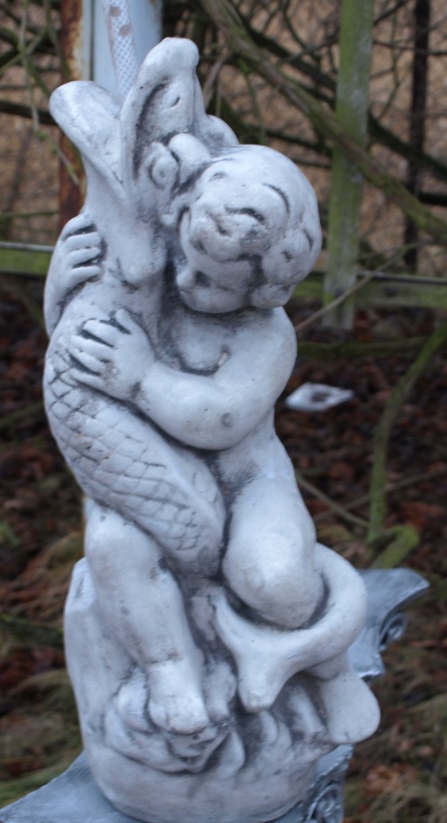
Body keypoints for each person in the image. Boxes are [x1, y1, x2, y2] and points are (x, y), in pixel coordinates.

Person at [57, 145, 379, 744]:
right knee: (113, 545)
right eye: (185, 256)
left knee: (274, 577)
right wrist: (65, 285)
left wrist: (141, 378)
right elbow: (77, 351)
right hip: (147, 485)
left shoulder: (266, 336)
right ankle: (170, 671)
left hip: (247, 487)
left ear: (266, 291)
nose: (185, 280)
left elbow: (223, 417)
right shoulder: (151, 283)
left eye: (213, 283)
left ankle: (328, 666)